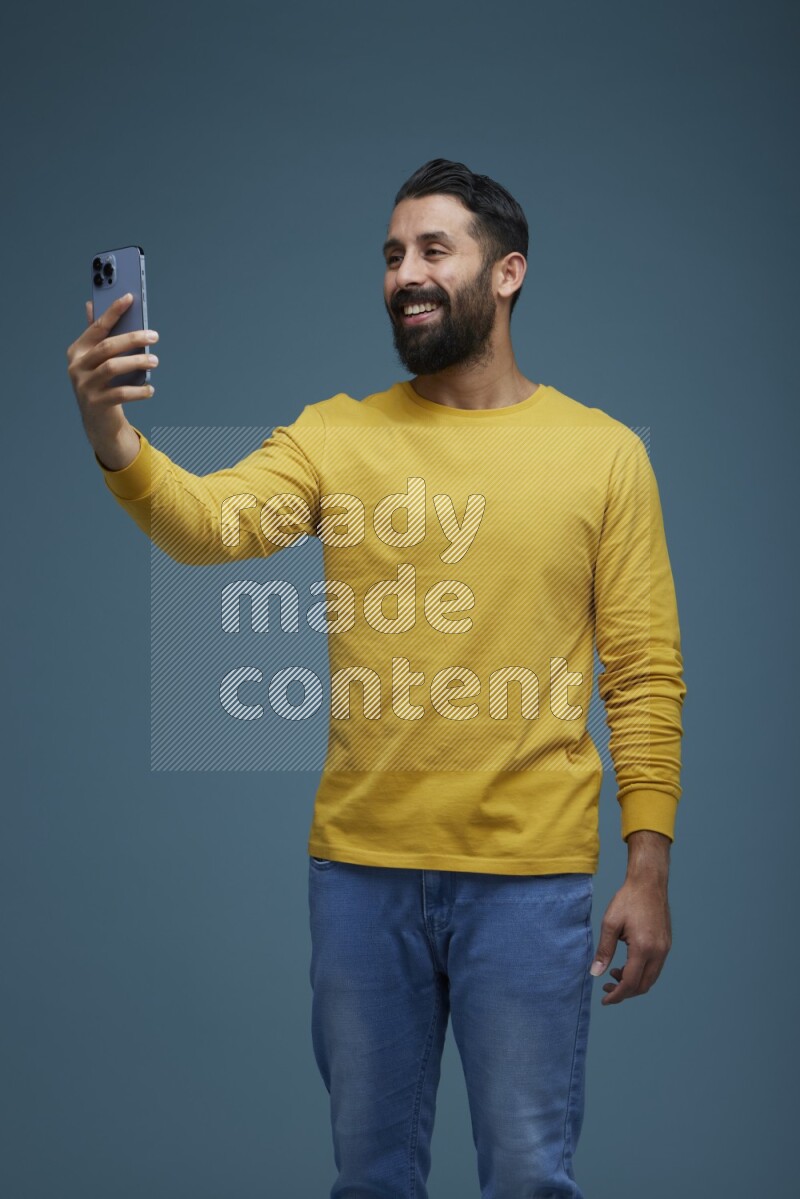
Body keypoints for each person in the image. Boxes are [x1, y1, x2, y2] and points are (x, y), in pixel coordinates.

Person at [66, 157, 686, 1198]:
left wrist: (647, 865)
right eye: (392, 254)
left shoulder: (603, 454)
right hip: (361, 876)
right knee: (370, 1180)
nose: (405, 272)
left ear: (506, 272)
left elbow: (643, 669)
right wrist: (110, 433)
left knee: (530, 1176)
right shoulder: (335, 432)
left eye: (433, 249)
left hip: (529, 883)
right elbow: (211, 524)